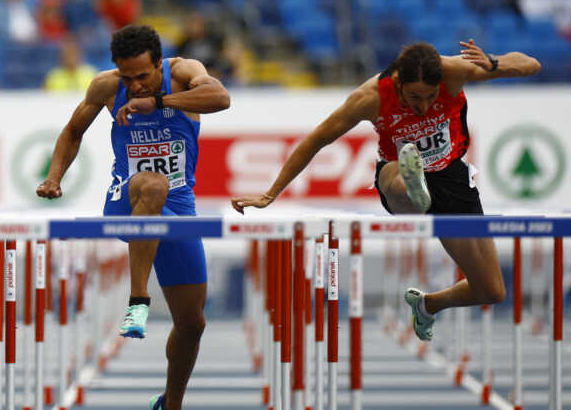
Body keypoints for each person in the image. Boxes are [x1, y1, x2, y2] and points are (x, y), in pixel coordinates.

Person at [231, 40, 541, 342]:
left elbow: (530, 64)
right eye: (414, 97)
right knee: (397, 177)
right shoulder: (370, 97)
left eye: (431, 97)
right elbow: (316, 140)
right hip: (396, 175)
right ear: (397, 83)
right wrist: (270, 194)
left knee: (491, 290)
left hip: (452, 179)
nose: (423, 107)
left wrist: (493, 63)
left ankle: (428, 304)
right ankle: (413, 184)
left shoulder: (456, 71)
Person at [36, 24, 231, 410]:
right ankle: (138, 299)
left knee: (192, 324)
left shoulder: (184, 73)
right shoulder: (107, 86)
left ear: (159, 64)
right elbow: (72, 131)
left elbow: (221, 98)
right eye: (126, 78)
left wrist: (158, 101)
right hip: (127, 196)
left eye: (141, 77)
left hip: (181, 207)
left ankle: (170, 409)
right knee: (152, 184)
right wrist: (54, 177)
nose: (132, 86)